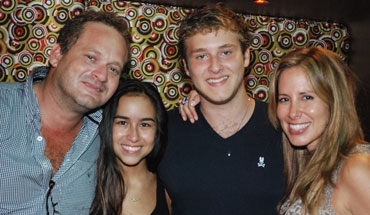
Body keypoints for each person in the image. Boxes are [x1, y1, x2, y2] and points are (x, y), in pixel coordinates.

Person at [157, 4, 285, 215]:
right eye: (201, 56)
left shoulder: (283, 125)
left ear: (246, 57)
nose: (215, 67)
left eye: (225, 52)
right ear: (186, 67)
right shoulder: (163, 130)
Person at [0, 11, 131, 214]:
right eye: (91, 57)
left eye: (113, 69)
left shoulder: (111, 132)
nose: (102, 75)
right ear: (57, 55)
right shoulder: (4, 108)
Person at [268, 47, 370, 214]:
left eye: (307, 97)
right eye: (284, 99)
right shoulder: (308, 165)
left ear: (334, 102)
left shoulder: (355, 168)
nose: (293, 112)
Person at [90, 79, 170, 215]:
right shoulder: (83, 184)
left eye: (144, 125)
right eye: (122, 122)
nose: (133, 137)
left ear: (157, 131)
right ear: (108, 125)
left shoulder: (171, 187)